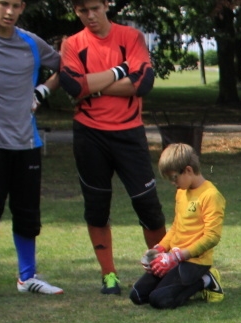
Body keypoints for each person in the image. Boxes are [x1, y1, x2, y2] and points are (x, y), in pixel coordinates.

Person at [57, 0, 165, 296]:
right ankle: (109, 276)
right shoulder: (72, 44)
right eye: (82, 11)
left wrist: (95, 85)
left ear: (106, 5)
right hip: (89, 135)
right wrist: (120, 73)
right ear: (76, 12)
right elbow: (74, 87)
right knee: (96, 208)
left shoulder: (131, 37)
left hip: (129, 133)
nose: (90, 16)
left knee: (148, 205)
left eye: (94, 8)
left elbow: (142, 82)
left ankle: (164, 269)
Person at [0, 0, 62, 295]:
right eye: (2, 4)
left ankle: (27, 278)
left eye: (15, 5)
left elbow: (68, 64)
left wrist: (43, 90)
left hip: (26, 144)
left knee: (26, 214)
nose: (9, 11)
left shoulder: (31, 43)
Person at [129, 143, 224, 309]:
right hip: (174, 258)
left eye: (174, 177)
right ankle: (180, 281)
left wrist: (178, 257)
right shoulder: (182, 192)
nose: (173, 183)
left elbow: (212, 237)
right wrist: (160, 249)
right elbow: (176, 227)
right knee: (137, 295)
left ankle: (206, 279)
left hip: (195, 261)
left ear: (188, 170)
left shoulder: (211, 195)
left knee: (159, 300)